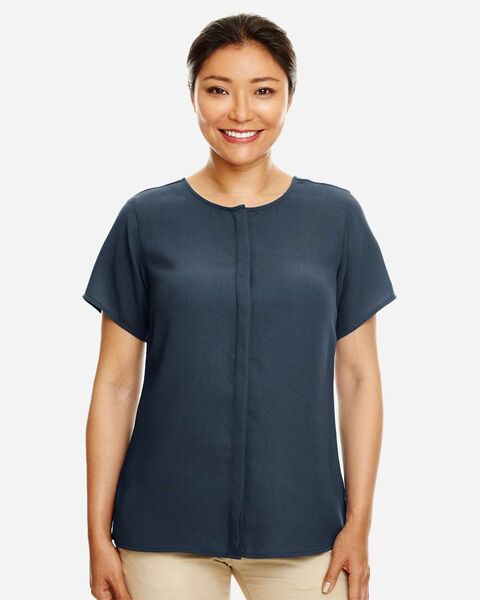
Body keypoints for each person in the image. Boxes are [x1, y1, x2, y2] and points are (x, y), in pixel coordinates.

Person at [83, 13, 397, 600]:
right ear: (194, 96)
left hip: (307, 529)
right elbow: (116, 382)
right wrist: (97, 534)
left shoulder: (336, 219)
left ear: (289, 97)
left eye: (263, 91)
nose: (241, 112)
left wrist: (359, 524)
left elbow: (359, 379)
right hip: (162, 527)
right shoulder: (146, 220)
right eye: (219, 90)